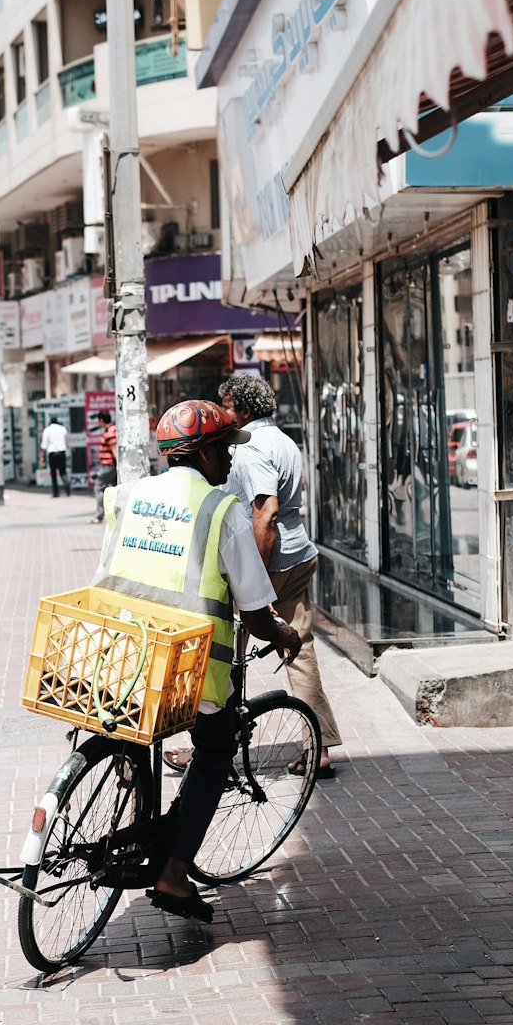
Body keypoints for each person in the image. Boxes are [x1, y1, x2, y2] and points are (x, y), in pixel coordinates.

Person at [95, 399, 301, 924]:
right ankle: (171, 873)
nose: (231, 463)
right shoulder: (220, 510)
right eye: (224, 452)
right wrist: (283, 633)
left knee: (133, 729)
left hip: (120, 654)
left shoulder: (127, 495)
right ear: (204, 453)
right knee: (215, 748)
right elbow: (254, 611)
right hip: (189, 667)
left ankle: (132, 799)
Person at [217, 373, 343, 778]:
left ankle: (216, 746)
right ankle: (319, 746)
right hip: (298, 551)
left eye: (227, 407)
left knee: (222, 651)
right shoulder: (284, 440)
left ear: (244, 410)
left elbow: (265, 512)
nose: (224, 414)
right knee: (299, 648)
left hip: (272, 560)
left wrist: (256, 579)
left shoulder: (250, 447)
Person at [91, 410, 117, 524]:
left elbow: (114, 448)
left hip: (109, 465)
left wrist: (118, 465)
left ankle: (99, 515)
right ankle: (114, 514)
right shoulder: (112, 429)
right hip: (110, 465)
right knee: (115, 489)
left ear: (101, 420)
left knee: (98, 487)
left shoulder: (109, 432)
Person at [41, 416, 72, 498]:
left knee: (53, 473)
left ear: (50, 422)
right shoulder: (63, 429)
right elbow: (67, 441)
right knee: (63, 472)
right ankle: (67, 484)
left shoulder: (47, 430)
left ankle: (56, 492)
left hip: (52, 454)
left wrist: (42, 455)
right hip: (62, 452)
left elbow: (44, 445)